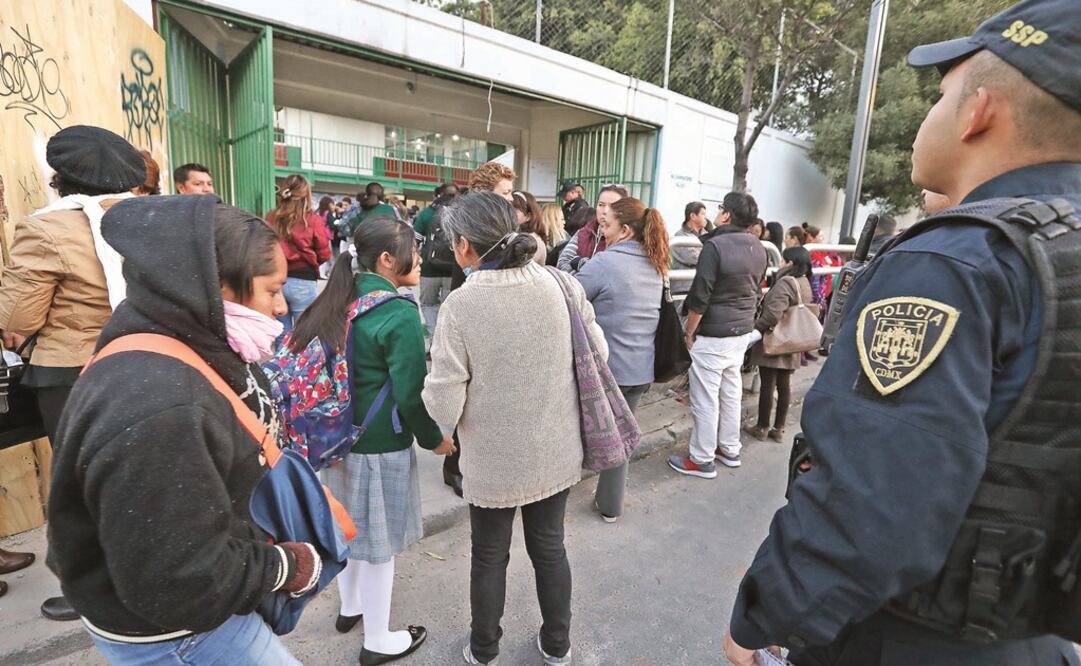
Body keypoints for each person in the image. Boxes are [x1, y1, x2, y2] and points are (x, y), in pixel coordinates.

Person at [724, 1, 1081, 664]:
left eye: (940, 96)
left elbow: (875, 502)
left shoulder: (952, 261)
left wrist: (769, 613)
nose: (931, 115)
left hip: (910, 635)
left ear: (977, 112)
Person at [47, 195, 320, 663]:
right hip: (178, 634)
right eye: (272, 291)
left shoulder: (177, 335)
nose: (280, 308)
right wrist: (286, 566)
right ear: (216, 289)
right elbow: (179, 579)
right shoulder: (162, 407)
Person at [423, 191, 604, 666]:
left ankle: (484, 650)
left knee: (488, 556)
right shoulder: (561, 284)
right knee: (550, 548)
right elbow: (597, 355)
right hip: (557, 447)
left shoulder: (461, 306)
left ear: (463, 246)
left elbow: (443, 400)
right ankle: (557, 645)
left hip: (492, 459)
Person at [0, 125, 147, 622]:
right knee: (132, 470)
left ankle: (93, 588)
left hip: (70, 373)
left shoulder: (44, 229)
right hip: (143, 358)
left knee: (79, 482)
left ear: (60, 177)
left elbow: (18, 318)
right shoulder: (145, 217)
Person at [289, 216, 452, 664]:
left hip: (332, 440)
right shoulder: (398, 312)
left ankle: (350, 607)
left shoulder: (336, 297)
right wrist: (434, 439)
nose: (419, 259)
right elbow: (410, 393)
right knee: (378, 546)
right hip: (378, 444)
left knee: (348, 528)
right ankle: (377, 640)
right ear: (386, 259)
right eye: (412, 252)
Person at [576, 197, 666, 522]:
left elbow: (570, 296)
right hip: (642, 368)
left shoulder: (605, 263)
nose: (603, 229)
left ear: (625, 229)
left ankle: (568, 494)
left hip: (608, 369)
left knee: (588, 431)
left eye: (606, 225)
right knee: (622, 437)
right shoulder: (655, 262)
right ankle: (609, 504)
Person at [669, 191, 767, 477]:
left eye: (720, 208)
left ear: (726, 215)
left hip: (713, 333)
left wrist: (690, 332)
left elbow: (701, 296)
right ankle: (729, 448)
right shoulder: (759, 246)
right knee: (730, 392)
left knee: (706, 398)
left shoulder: (716, 246)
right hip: (741, 331)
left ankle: (701, 458)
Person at [744, 246, 813, 443]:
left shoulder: (785, 283)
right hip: (794, 340)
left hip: (777, 340)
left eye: (783, 260)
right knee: (784, 385)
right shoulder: (804, 281)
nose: (780, 263)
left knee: (768, 384)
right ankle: (779, 429)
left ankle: (762, 427)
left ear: (790, 263)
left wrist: (756, 330)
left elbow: (773, 314)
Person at [267, 175, 330, 333]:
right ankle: (299, 359)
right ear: (306, 194)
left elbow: (265, 246)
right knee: (304, 333)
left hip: (276, 279)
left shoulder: (271, 217)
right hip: (303, 279)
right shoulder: (312, 220)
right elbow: (324, 252)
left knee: (281, 333)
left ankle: (282, 358)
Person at [414, 189, 458, 339]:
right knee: (449, 308)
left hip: (429, 269)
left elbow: (415, 240)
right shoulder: (460, 214)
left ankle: (434, 338)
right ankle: (445, 340)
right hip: (453, 270)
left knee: (428, 305)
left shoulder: (427, 213)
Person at [556, 184, 628, 274]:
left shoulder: (627, 238)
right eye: (601, 205)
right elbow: (563, 262)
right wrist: (583, 281)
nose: (605, 211)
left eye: (613, 206)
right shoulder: (583, 232)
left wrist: (580, 264)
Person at [670, 201, 711, 271]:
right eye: (703, 214)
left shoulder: (707, 234)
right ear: (693, 216)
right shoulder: (680, 236)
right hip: (685, 280)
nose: (706, 218)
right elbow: (693, 258)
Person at [511, 190, 548, 264]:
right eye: (507, 208)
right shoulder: (510, 234)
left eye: (514, 209)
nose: (509, 212)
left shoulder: (532, 241)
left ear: (528, 216)